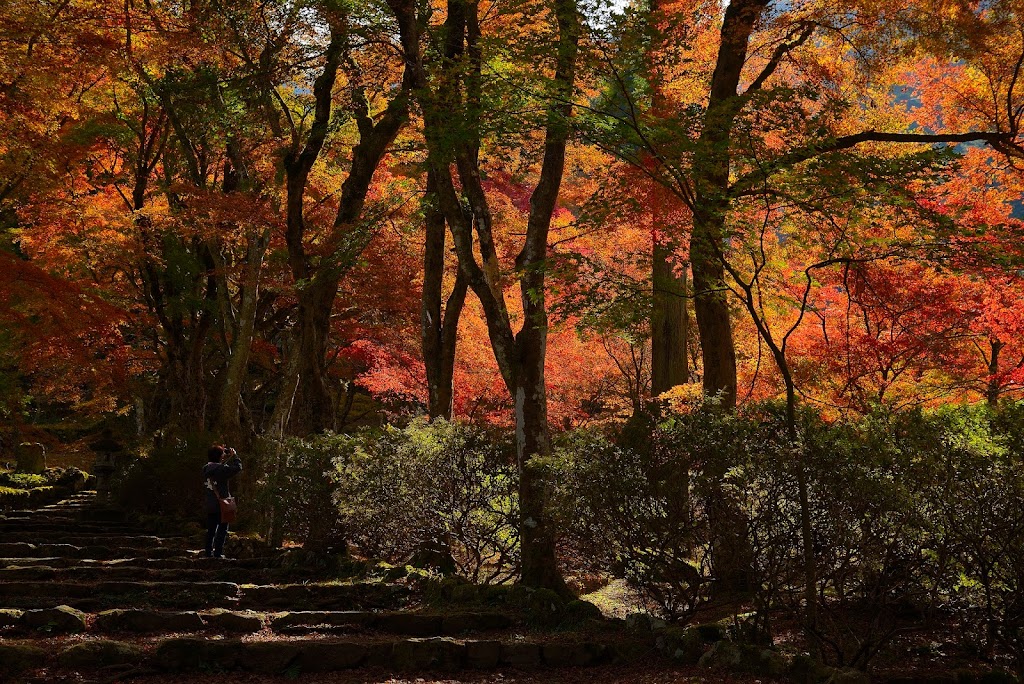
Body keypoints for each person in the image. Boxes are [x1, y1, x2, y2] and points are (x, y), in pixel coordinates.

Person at [203, 444, 242, 558]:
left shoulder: (205, 468)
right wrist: (234, 456)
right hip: (222, 503)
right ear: (220, 457)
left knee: (211, 529)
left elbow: (217, 467)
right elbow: (238, 467)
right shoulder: (222, 469)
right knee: (222, 529)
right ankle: (218, 553)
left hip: (210, 503)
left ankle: (208, 552)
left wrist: (223, 456)